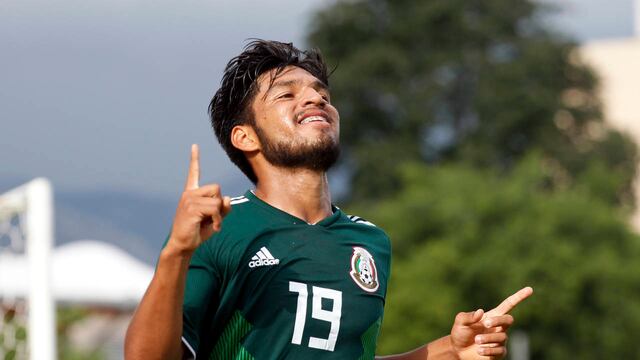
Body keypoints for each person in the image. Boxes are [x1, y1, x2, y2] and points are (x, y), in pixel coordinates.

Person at [125, 40, 533, 360]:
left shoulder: (371, 243)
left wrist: (451, 351)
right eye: (286, 95)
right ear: (245, 137)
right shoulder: (217, 228)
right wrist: (176, 253)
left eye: (321, 92)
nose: (315, 99)